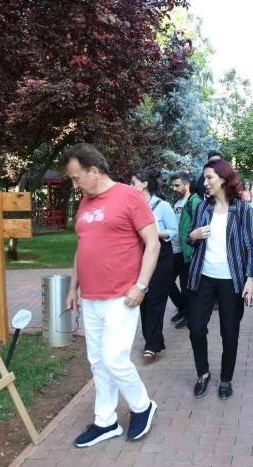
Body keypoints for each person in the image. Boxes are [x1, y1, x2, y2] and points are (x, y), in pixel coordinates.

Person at [64, 143, 158, 447]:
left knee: (114, 359)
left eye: (77, 178)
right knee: (98, 362)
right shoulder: (84, 203)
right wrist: (73, 287)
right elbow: (82, 248)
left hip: (122, 295)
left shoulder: (129, 196)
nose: (75, 185)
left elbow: (153, 243)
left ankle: (142, 406)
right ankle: (105, 422)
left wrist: (141, 286)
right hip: (91, 297)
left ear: (94, 171)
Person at [186, 158, 253, 400]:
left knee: (229, 331)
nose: (205, 182)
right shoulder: (202, 208)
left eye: (209, 178)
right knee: (196, 328)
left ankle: (226, 379)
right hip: (203, 277)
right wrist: (193, 236)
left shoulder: (243, 210)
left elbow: (251, 246)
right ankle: (203, 373)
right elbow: (190, 239)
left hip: (231, 280)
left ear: (224, 178)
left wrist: (251, 279)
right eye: (204, 178)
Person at [130, 169, 178, 359]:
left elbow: (173, 231)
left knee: (155, 299)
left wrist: (151, 233)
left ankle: (152, 344)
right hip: (140, 254)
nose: (130, 186)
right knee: (143, 298)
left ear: (145, 184)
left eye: (133, 182)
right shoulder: (132, 205)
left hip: (161, 254)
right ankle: (150, 340)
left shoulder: (162, 206)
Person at [167, 171, 202, 328]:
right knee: (167, 281)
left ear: (186, 184)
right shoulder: (177, 202)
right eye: (173, 185)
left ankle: (189, 315)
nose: (174, 188)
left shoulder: (194, 202)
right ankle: (182, 308)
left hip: (187, 252)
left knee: (186, 285)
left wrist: (194, 246)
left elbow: (200, 224)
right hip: (174, 250)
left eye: (177, 185)